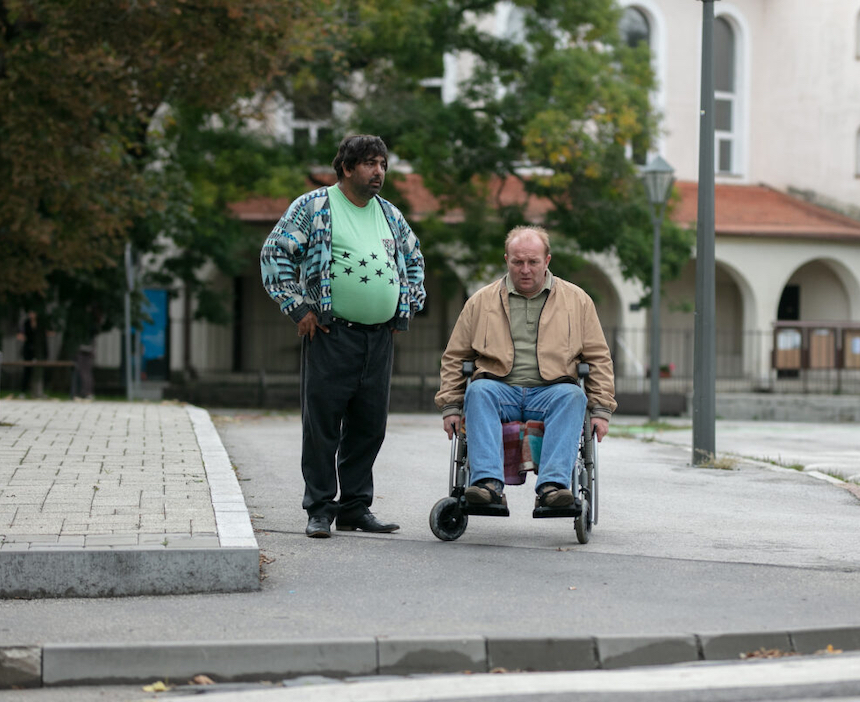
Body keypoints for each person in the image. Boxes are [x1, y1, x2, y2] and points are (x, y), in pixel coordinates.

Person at [260, 135, 426, 539]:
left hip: (379, 337)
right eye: (370, 163)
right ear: (347, 167)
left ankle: (355, 507)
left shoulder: (388, 213)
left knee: (370, 426)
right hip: (332, 333)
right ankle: (319, 508)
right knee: (323, 425)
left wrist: (405, 305)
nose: (378, 172)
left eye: (383, 164)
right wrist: (298, 308)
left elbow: (414, 259)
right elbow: (274, 254)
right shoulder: (314, 206)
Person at [435, 225, 615, 509]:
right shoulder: (481, 301)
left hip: (552, 391)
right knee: (478, 391)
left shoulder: (577, 301)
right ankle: (487, 484)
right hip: (498, 389)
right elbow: (455, 356)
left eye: (533, 261)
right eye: (518, 261)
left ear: (547, 261)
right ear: (506, 260)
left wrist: (601, 410)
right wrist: (450, 406)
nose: (525, 269)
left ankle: (553, 487)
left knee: (574, 396)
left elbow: (598, 358)